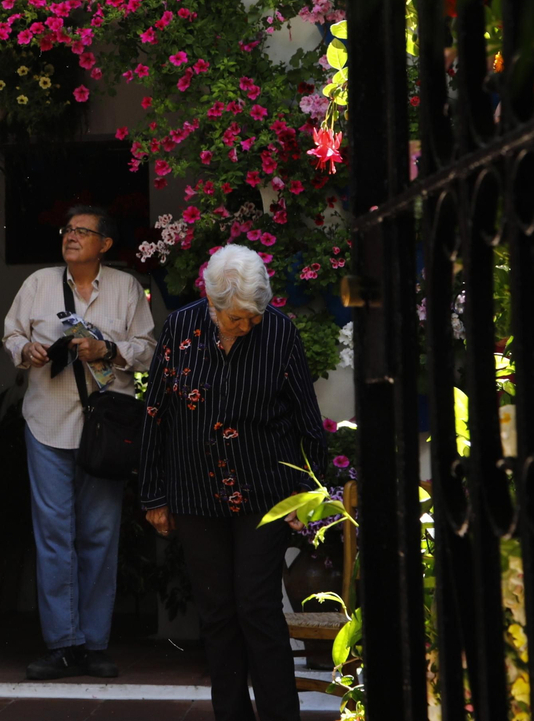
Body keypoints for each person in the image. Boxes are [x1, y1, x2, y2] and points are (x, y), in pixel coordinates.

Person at [138, 244, 327, 721]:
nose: (249, 325)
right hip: (196, 494)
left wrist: (314, 494)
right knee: (217, 615)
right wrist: (155, 495)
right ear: (213, 302)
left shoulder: (278, 332)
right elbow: (156, 413)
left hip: (265, 493)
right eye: (238, 318)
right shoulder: (181, 327)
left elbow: (307, 419)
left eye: (255, 315)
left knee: (258, 609)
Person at [2, 204, 157, 680]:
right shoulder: (37, 285)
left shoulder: (128, 288)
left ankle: (93, 645)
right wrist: (24, 350)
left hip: (106, 429)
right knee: (54, 537)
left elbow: (148, 351)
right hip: (47, 424)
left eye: (82, 232)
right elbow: (11, 333)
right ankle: (63, 645)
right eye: (68, 230)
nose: (70, 237)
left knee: (99, 535)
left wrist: (106, 349)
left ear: (104, 245)